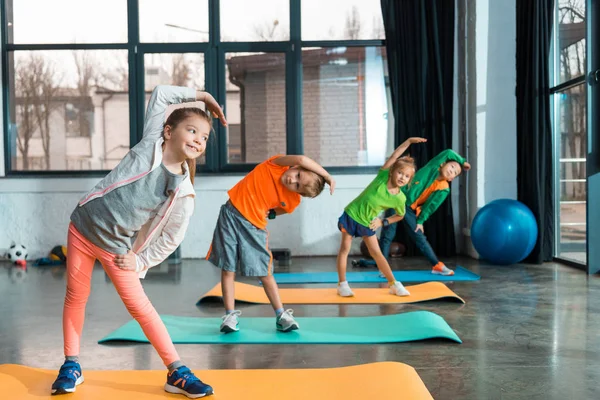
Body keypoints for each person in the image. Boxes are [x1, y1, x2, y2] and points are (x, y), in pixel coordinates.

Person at [51, 85, 227, 398]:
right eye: (192, 130)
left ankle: (177, 372)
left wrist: (141, 260)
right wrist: (202, 96)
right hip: (81, 227)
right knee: (76, 296)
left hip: (117, 248)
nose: (199, 140)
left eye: (204, 138)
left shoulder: (182, 191)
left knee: (141, 309)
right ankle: (71, 365)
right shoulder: (150, 144)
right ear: (169, 131)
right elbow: (161, 94)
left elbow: (173, 237)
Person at [207, 155, 335, 333]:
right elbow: (300, 158)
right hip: (230, 215)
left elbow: (283, 208)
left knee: (265, 272)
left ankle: (281, 315)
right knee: (228, 268)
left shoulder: (293, 199)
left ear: (298, 192)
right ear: (295, 167)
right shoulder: (274, 165)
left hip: (254, 227)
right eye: (297, 175)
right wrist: (327, 176)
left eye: (297, 186)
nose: (292, 180)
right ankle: (230, 316)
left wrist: (272, 214)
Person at [352, 149, 471, 276]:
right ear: (443, 164)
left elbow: (430, 207)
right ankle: (383, 267)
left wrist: (420, 221)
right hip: (397, 198)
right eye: (452, 166)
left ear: (452, 178)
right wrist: (463, 162)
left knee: (419, 236)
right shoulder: (433, 167)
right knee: (388, 235)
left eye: (455, 172)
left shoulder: (444, 189)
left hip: (408, 208)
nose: (452, 171)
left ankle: (437, 265)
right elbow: (448, 152)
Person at [335, 137, 427, 297]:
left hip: (367, 222)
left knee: (377, 253)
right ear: (392, 171)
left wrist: (382, 222)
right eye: (400, 172)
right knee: (345, 248)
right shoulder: (382, 178)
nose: (402, 177)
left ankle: (393, 284)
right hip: (351, 214)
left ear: (409, 180)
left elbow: (400, 216)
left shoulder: (400, 198)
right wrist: (408, 142)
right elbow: (394, 156)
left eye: (406, 176)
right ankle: (342, 284)